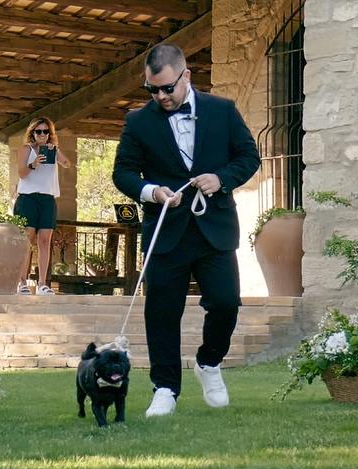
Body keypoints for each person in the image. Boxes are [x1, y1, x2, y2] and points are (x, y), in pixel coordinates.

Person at [112, 43, 261, 417]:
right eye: (152, 90)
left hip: (215, 228)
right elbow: (123, 173)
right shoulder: (137, 122)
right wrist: (151, 191)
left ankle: (209, 362)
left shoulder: (222, 111)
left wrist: (221, 179)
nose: (160, 96)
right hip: (166, 231)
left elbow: (249, 157)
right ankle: (165, 388)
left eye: (167, 88)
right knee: (162, 312)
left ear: (186, 76)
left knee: (226, 303)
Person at [14, 116, 72, 295]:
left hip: (47, 198)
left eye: (46, 131)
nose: (42, 134)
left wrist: (57, 152)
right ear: (33, 133)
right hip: (28, 198)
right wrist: (33, 164)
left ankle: (42, 283)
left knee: (45, 240)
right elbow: (22, 174)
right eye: (38, 131)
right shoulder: (26, 149)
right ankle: (22, 282)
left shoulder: (52, 149)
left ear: (49, 134)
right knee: (27, 240)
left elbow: (67, 164)